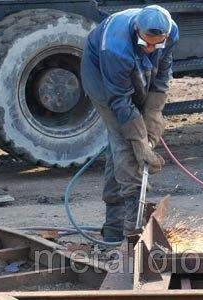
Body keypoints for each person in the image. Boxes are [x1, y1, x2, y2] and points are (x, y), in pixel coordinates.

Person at [80, 5, 179, 242]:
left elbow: (162, 77)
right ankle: (131, 231)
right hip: (102, 81)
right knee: (125, 141)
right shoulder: (116, 47)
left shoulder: (170, 32)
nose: (152, 48)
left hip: (133, 73)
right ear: (136, 30)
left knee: (125, 146)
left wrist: (153, 119)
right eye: (147, 43)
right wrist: (139, 142)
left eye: (158, 43)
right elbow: (120, 102)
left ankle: (113, 229)